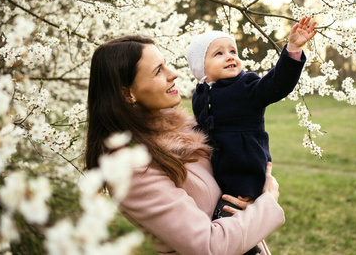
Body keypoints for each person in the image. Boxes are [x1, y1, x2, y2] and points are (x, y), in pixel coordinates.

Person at [85, 35, 284, 255]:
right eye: (158, 70)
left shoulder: (183, 130)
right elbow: (208, 246)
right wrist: (267, 202)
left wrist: (250, 198)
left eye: (166, 64)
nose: (174, 74)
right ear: (126, 93)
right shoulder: (130, 166)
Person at [186, 17, 317, 254]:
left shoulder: (247, 85)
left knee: (230, 219)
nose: (230, 56)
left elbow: (277, 84)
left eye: (233, 51)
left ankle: (250, 249)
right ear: (200, 67)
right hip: (220, 173)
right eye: (218, 53)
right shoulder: (200, 95)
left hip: (245, 172)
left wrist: (293, 50)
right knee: (219, 218)